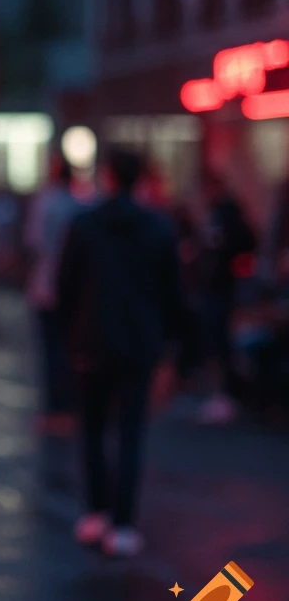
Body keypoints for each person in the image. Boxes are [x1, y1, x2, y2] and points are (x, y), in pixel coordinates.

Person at [57, 149, 185, 557]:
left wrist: (69, 336)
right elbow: (173, 296)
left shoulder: (84, 225)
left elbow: (65, 288)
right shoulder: (159, 229)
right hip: (139, 345)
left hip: (91, 342)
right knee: (131, 432)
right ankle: (124, 523)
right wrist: (170, 347)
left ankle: (95, 511)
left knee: (92, 429)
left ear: (108, 176)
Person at [24, 154, 84, 436]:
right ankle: (69, 404)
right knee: (70, 348)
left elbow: (33, 243)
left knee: (51, 350)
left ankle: (55, 407)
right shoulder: (78, 205)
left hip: (46, 285)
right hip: (73, 288)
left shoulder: (45, 203)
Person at [192, 169, 257, 425]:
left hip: (221, 288)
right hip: (213, 287)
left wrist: (231, 265)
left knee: (221, 343)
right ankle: (225, 395)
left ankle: (228, 395)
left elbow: (247, 241)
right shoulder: (216, 215)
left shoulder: (228, 215)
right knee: (216, 341)